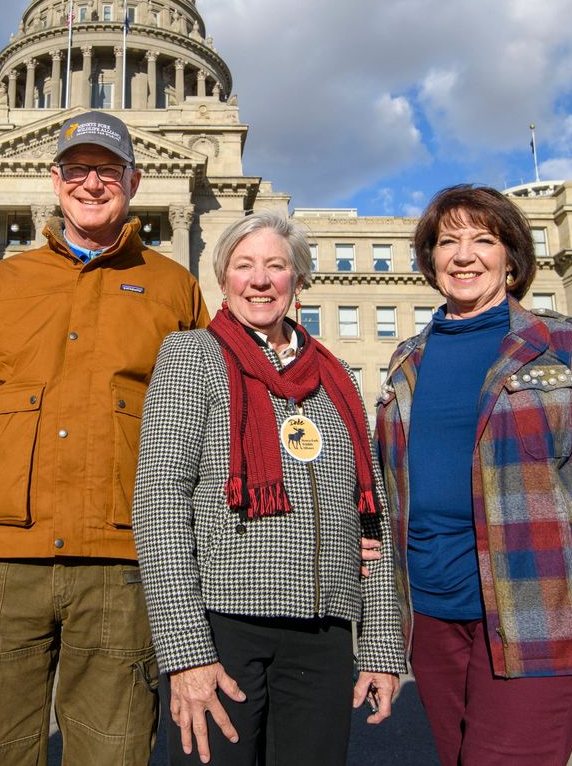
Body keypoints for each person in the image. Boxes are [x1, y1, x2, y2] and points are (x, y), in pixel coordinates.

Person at [0, 110, 208, 765]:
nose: (92, 183)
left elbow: (204, 434)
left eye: (108, 169)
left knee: (114, 752)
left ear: (134, 179)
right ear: (54, 179)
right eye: (78, 168)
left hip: (123, 565)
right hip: (0, 560)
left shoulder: (175, 288)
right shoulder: (3, 285)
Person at [374, 183, 572, 764]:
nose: (464, 255)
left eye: (483, 240)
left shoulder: (565, 346)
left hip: (543, 616)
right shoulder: (406, 360)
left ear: (511, 257)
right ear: (430, 260)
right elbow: (394, 490)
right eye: (447, 242)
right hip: (433, 619)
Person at [133, 213, 403, 765]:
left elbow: (369, 520)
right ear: (224, 279)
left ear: (297, 280)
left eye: (276, 266)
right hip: (224, 627)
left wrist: (379, 644)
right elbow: (160, 502)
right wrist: (185, 653)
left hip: (323, 632)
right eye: (244, 265)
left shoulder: (337, 380)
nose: (260, 280)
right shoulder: (191, 356)